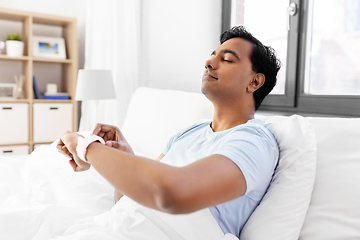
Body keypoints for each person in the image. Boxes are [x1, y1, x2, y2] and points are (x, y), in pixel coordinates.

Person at [57, 26, 281, 237]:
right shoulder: (188, 133)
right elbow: (130, 202)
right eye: (213, 55)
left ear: (254, 82)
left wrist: (85, 147)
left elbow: (173, 194)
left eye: (227, 59)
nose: (209, 62)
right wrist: (125, 157)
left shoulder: (253, 141)